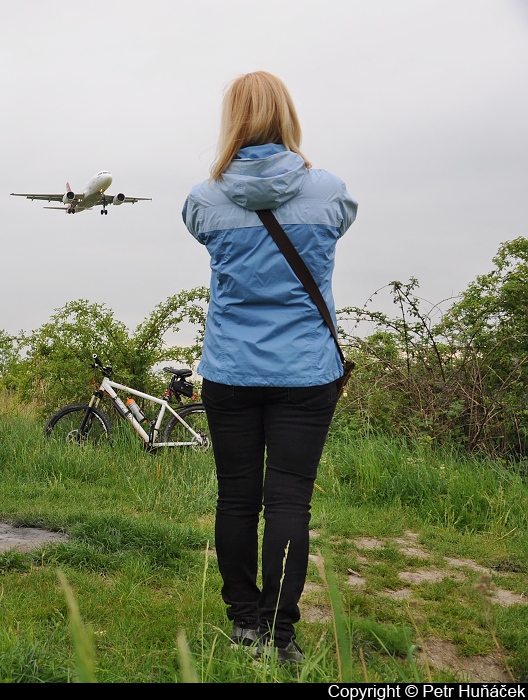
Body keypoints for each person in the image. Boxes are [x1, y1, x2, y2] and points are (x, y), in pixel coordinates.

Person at [182, 71, 357, 664]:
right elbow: (339, 222)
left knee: (236, 498)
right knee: (289, 502)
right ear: (288, 115)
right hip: (306, 373)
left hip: (230, 371)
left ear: (231, 120)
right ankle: (281, 637)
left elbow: (202, 231)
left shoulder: (204, 200)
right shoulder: (328, 191)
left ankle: (245, 624)